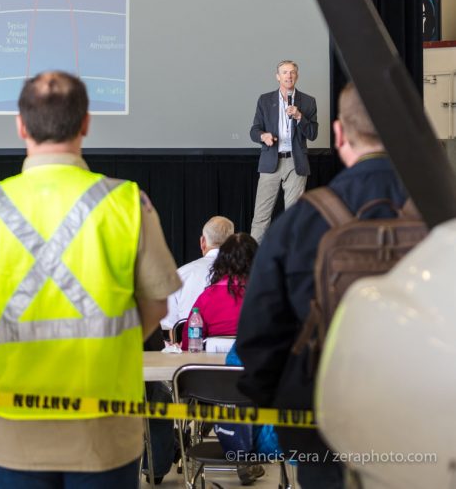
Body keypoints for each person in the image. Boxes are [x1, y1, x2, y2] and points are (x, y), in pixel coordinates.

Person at [0, 71, 181, 488]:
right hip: (105, 429)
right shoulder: (127, 201)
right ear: (86, 123)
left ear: (20, 125)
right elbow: (157, 307)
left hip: (19, 429)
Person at [235, 82, 408, 488]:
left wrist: (283, 410)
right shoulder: (443, 209)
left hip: (322, 421)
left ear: (340, 135)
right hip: (428, 418)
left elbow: (258, 337)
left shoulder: (299, 224)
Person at [249, 60, 319, 243]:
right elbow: (254, 130)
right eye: (285, 72)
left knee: (294, 219)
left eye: (292, 72)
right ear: (277, 76)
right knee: (261, 218)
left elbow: (313, 134)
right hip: (270, 161)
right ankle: (251, 264)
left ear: (297, 76)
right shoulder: (265, 100)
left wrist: (299, 117)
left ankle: (292, 261)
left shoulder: (308, 101)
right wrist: (263, 136)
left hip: (296, 164)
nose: (289, 75)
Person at [180, 232, 256, 351]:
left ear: (221, 261)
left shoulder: (207, 297)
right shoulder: (267, 296)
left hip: (212, 368)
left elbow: (187, 345)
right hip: (257, 367)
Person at [160, 216, 234, 331]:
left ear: (202, 242)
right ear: (234, 242)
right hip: (237, 347)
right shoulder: (247, 274)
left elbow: (169, 327)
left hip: (191, 346)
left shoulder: (180, 275)